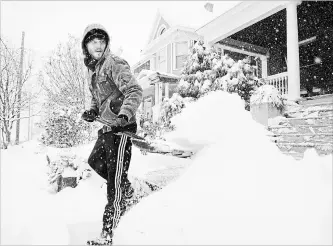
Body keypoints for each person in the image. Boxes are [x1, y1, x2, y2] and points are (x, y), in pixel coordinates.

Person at [81, 23, 143, 245]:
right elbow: (97, 99)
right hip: (107, 127)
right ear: (86, 46)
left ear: (106, 43)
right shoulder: (94, 70)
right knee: (95, 161)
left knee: (113, 184)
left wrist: (124, 116)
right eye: (93, 41)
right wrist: (92, 111)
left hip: (121, 129)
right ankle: (128, 191)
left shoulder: (113, 63)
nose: (98, 45)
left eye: (101, 41)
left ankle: (108, 234)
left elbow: (135, 90)